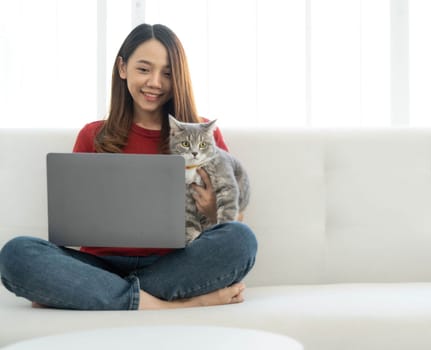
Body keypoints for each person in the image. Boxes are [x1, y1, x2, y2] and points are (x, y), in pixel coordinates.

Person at [0, 24, 257, 310]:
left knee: (241, 240)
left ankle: (103, 297)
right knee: (17, 254)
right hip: (98, 266)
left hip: (173, 265)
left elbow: (234, 223)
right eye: (144, 69)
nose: (155, 82)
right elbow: (73, 219)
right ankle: (170, 305)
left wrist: (212, 211)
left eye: (168, 73)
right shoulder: (92, 135)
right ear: (123, 68)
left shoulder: (201, 135)